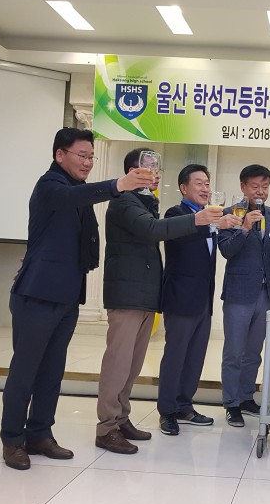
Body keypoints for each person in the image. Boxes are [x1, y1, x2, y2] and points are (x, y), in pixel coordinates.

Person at [1, 127, 154, 470]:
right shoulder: (51, 185)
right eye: (82, 156)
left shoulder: (75, 189)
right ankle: (12, 440)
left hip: (67, 295)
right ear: (60, 155)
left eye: (91, 157)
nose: (88, 162)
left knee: (52, 371)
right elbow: (72, 199)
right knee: (25, 372)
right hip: (37, 294)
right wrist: (119, 183)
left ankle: (40, 433)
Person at [95, 149, 227, 454]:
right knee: (118, 364)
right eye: (149, 168)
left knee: (132, 365)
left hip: (145, 295)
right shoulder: (124, 201)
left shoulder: (145, 203)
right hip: (127, 295)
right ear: (131, 172)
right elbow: (153, 231)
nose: (155, 174)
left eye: (157, 169)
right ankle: (106, 427)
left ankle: (121, 419)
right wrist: (198, 219)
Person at [156, 165, 241, 435]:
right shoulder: (175, 214)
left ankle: (184, 406)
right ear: (183, 188)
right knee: (175, 355)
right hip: (181, 298)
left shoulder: (212, 217)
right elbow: (183, 236)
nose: (205, 188)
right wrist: (214, 224)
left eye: (207, 183)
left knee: (194, 357)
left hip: (203, 299)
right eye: (199, 183)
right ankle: (167, 410)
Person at [217, 165, 270, 427]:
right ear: (243, 187)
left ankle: (246, 396)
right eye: (255, 186)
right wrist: (245, 228)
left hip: (265, 292)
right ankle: (231, 403)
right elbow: (226, 250)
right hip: (239, 292)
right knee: (234, 351)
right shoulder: (230, 214)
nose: (260, 191)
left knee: (254, 351)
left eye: (265, 186)